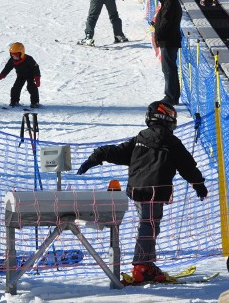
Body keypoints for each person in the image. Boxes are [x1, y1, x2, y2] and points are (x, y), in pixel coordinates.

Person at [76, 101, 208, 283]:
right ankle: (142, 266)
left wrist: (96, 156)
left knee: (147, 225)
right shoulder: (171, 142)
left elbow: (118, 152)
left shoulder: (141, 138)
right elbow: (187, 165)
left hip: (137, 190)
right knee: (149, 226)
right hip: (156, 190)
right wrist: (198, 184)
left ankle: (145, 262)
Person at [152, 0, 182, 106]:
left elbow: (166, 23)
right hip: (168, 40)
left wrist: (158, 34)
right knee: (170, 68)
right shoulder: (169, 3)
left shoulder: (170, 4)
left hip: (168, 40)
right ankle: (172, 95)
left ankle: (170, 95)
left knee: (168, 69)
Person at [0, 42, 41, 108]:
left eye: (16, 55)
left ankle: (35, 103)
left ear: (21, 53)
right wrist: (1, 75)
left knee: (31, 87)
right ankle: (14, 102)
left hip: (31, 75)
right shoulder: (12, 60)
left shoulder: (29, 59)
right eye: (12, 55)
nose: (14, 57)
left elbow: (36, 68)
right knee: (15, 88)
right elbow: (7, 68)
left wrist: (37, 78)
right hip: (21, 76)